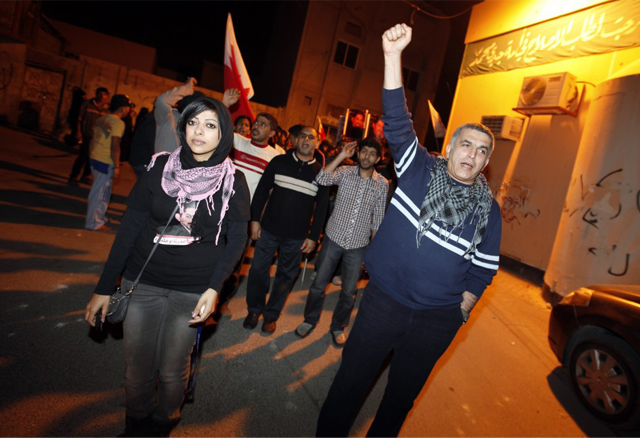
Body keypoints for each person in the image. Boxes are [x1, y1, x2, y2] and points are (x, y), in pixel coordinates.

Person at [316, 23, 502, 437]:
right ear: (451, 148)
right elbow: (398, 121)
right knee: (351, 384)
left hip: (437, 319)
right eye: (466, 144)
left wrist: (460, 310)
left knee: (400, 399)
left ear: (486, 162)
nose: (473, 154)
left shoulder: (489, 210)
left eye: (482, 150)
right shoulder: (418, 169)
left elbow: (484, 269)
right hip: (385, 302)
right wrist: (392, 56)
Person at [84, 96, 250, 437]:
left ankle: (163, 423)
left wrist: (215, 286)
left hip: (193, 288)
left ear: (224, 133)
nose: (198, 132)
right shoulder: (158, 167)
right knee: (136, 370)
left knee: (173, 371)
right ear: (182, 126)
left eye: (210, 125)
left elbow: (236, 240)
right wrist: (104, 286)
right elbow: (130, 227)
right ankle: (137, 423)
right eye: (192, 123)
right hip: (143, 281)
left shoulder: (233, 182)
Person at [295, 138, 388, 346]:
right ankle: (309, 320)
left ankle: (338, 326)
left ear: (378, 158)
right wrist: (341, 155)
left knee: (348, 291)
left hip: (358, 244)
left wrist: (372, 253)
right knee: (319, 284)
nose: (367, 157)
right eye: (364, 152)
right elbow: (321, 178)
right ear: (358, 154)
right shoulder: (345, 172)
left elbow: (378, 219)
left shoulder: (382, 184)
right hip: (334, 237)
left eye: (372, 153)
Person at [244, 126, 330, 334]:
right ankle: (254, 310)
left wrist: (313, 237)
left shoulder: (321, 174)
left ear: (316, 143)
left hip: (297, 236)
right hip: (269, 230)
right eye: (303, 136)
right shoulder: (278, 162)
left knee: (285, 277)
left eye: (311, 137)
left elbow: (321, 210)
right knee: (257, 271)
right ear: (295, 140)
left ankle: (271, 315)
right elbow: (262, 192)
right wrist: (255, 220)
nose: (306, 140)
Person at [84, 94, 132, 232]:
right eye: (128, 107)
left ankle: (99, 217)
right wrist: (116, 165)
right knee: (101, 194)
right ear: (123, 108)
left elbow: (93, 138)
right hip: (105, 161)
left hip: (95, 157)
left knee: (101, 192)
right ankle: (94, 222)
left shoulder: (102, 118)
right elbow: (115, 145)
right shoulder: (118, 123)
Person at [68, 87, 110, 185]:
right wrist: (78, 132)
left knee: (93, 158)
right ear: (96, 94)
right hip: (87, 135)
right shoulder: (87, 105)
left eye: (104, 94)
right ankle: (73, 176)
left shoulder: (106, 110)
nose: (102, 96)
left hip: (99, 138)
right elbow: (79, 119)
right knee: (82, 156)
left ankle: (85, 175)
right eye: (100, 93)